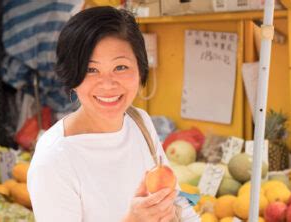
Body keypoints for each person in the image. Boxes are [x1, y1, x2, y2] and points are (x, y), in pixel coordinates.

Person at [27, 6, 199, 222]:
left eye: (120, 67)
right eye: (91, 70)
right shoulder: (54, 159)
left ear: (140, 68)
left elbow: (175, 201)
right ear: (72, 76)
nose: (107, 84)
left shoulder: (140, 123)